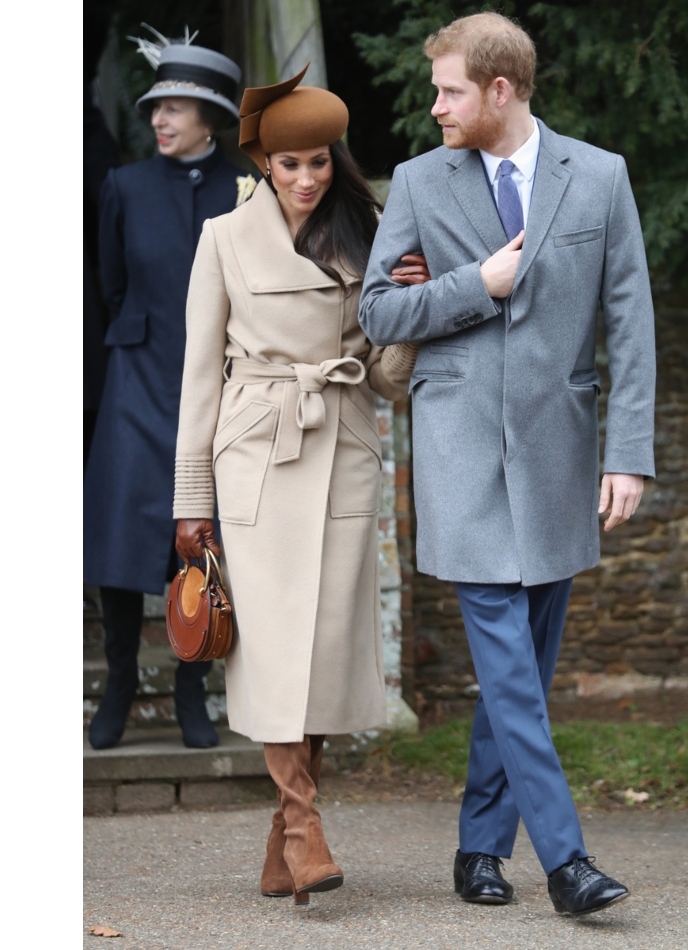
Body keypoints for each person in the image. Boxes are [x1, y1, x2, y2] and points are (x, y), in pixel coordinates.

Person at [359, 12, 656, 917]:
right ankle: (567, 864)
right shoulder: (416, 180)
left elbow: (629, 321)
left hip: (562, 459)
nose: (435, 105)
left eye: (449, 90)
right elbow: (377, 313)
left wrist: (629, 454)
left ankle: (479, 848)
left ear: (499, 90)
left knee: (515, 670)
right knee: (512, 666)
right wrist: (471, 288)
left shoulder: (599, 177)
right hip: (460, 458)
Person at [171, 64, 428, 905]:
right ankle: (304, 823)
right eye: (290, 165)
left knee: (320, 650)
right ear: (262, 165)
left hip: (345, 441)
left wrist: (413, 314)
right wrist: (190, 504)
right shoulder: (222, 239)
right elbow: (198, 379)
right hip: (256, 451)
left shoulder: (370, 231)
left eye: (320, 162)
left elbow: (388, 378)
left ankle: (286, 841)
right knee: (277, 650)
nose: (308, 179)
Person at [83, 31, 256, 750]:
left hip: (216, 389)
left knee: (203, 542)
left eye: (177, 108)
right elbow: (110, 286)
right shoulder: (122, 186)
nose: (160, 119)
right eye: (157, 106)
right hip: (136, 384)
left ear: (210, 118)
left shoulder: (248, 188)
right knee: (121, 543)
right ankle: (119, 683)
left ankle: (193, 691)